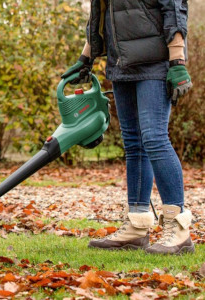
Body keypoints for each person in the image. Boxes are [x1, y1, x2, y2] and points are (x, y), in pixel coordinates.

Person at [62, 0, 194, 255]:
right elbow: (100, 13)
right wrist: (85, 57)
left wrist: (177, 60)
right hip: (121, 63)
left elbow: (174, 8)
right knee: (134, 144)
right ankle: (137, 224)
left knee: (154, 138)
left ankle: (178, 228)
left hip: (155, 61)